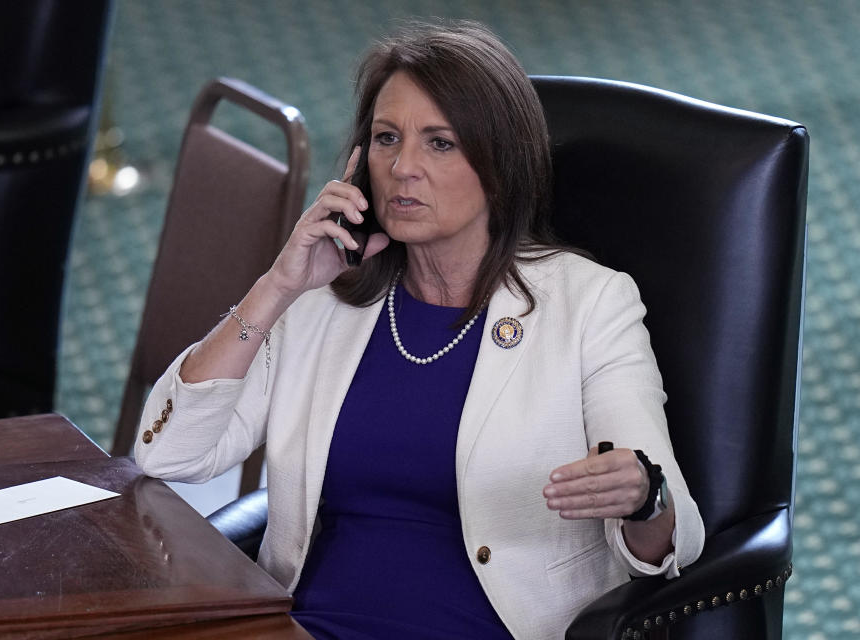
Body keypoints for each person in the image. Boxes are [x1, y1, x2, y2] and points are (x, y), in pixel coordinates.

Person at [135, 20, 704, 640]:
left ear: (499, 163)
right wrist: (277, 286)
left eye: (440, 143)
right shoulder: (323, 300)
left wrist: (644, 495)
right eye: (386, 139)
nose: (403, 168)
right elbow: (170, 452)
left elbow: (668, 542)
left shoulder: (589, 303)